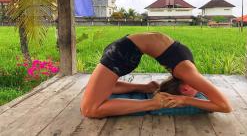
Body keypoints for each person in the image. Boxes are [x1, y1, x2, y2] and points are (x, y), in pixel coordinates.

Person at [80, 32, 232, 118]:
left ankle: (143, 88)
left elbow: (220, 105)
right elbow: (225, 106)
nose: (199, 91)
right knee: (91, 109)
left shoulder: (184, 69)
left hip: (126, 47)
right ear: (185, 89)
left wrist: (183, 98)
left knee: (99, 90)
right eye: (197, 92)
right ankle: (155, 103)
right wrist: (185, 100)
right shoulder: (187, 73)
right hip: (124, 50)